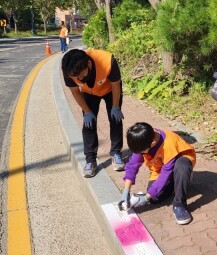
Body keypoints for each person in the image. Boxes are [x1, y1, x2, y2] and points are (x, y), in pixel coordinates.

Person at [62, 48, 125, 177]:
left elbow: (116, 85)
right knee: (89, 124)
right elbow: (75, 91)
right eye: (76, 77)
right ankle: (90, 160)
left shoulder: (107, 61)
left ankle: (116, 153)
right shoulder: (68, 69)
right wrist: (87, 111)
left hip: (110, 90)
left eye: (81, 75)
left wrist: (115, 107)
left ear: (89, 64)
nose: (79, 79)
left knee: (115, 119)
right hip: (89, 93)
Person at [118, 122, 196, 225]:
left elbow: (166, 172)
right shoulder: (142, 139)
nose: (141, 154)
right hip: (160, 168)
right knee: (154, 198)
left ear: (153, 143)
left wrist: (146, 197)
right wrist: (126, 191)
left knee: (182, 166)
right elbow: (133, 165)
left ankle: (179, 204)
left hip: (179, 162)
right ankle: (178, 181)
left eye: (142, 152)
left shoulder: (168, 144)